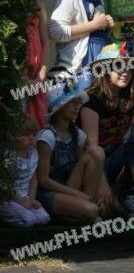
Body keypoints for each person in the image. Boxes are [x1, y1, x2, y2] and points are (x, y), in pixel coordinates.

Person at [79, 43, 134, 216]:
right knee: (98, 211)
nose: (125, 72)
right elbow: (91, 148)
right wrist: (102, 184)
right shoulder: (92, 100)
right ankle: (102, 200)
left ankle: (120, 198)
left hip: (114, 160)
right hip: (89, 163)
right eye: (119, 67)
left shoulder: (131, 97)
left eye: (128, 68)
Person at [36, 82, 104, 223]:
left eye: (78, 103)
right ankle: (77, 211)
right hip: (50, 192)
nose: (77, 107)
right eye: (72, 103)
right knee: (92, 211)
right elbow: (43, 181)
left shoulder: (77, 134)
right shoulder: (47, 137)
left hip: (69, 186)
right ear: (59, 107)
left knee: (96, 151)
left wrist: (95, 191)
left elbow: (82, 166)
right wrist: (77, 194)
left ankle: (83, 206)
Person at [0, 115, 50, 227]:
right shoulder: (7, 156)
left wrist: (31, 199)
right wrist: (21, 201)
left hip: (25, 197)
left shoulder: (34, 153)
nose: (31, 138)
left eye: (34, 134)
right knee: (29, 220)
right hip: (8, 198)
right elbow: (3, 184)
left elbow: (33, 178)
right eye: (26, 135)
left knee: (43, 218)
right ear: (12, 136)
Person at [23, 0, 50, 127]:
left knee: (38, 121)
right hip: (19, 75)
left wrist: (41, 76)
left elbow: (46, 42)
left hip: (37, 74)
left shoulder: (39, 4)